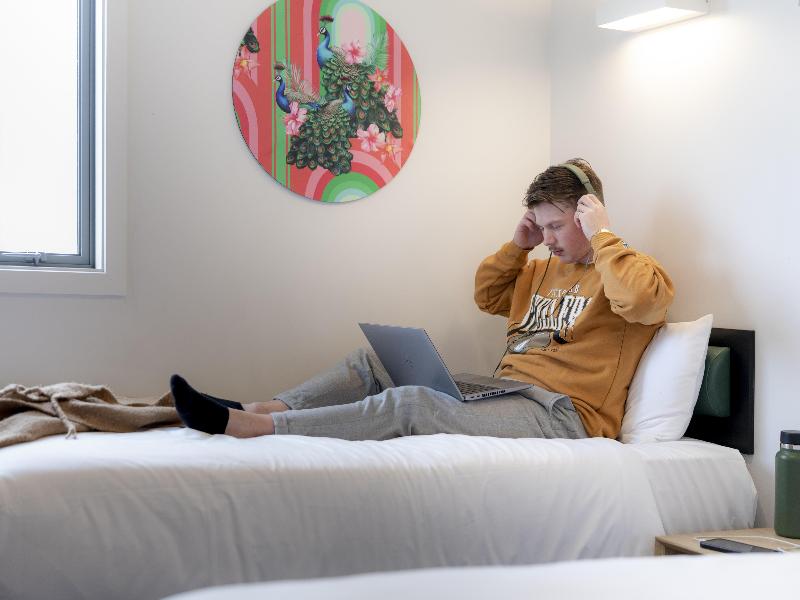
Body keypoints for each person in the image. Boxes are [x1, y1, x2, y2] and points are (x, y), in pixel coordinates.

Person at [171, 158, 673, 441]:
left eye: (557, 226)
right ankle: (261, 405)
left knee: (411, 403)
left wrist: (603, 237)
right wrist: (518, 246)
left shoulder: (632, 271)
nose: (547, 239)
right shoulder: (540, 267)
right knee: (372, 364)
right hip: (506, 392)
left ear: (588, 215)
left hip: (565, 415)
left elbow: (642, 303)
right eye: (540, 227)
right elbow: (487, 295)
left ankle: (259, 427)